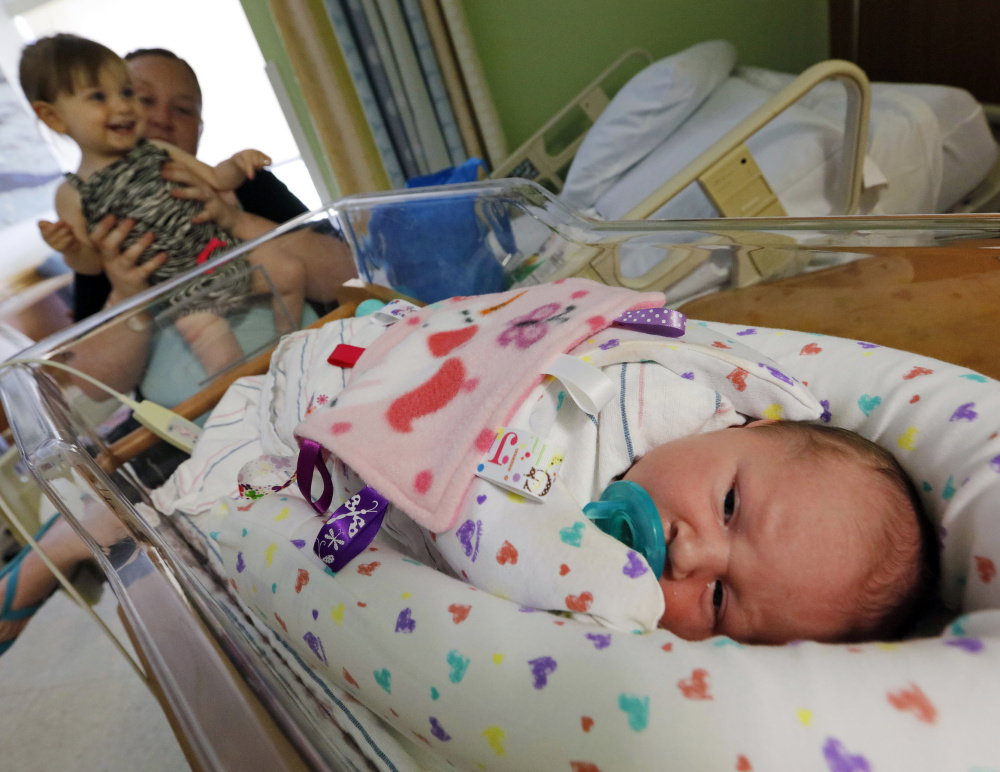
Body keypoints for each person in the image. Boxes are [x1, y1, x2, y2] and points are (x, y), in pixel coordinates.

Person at [20, 33, 314, 375]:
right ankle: (251, 402)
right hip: (182, 295)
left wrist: (238, 163)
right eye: (99, 97)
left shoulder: (158, 152)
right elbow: (90, 265)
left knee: (291, 272)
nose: (122, 105)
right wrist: (70, 247)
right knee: (223, 361)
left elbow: (217, 180)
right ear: (54, 118)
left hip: (227, 256)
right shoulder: (72, 194)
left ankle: (292, 353)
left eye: (127, 92)